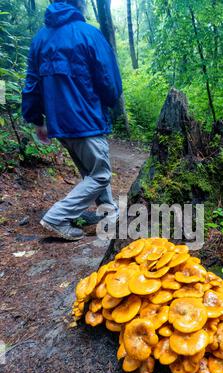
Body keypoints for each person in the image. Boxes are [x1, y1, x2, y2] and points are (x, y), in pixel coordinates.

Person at [22, 0, 122, 241]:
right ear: (79, 4)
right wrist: (110, 101)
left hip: (59, 123)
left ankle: (109, 212)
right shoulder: (89, 34)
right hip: (86, 118)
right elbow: (109, 81)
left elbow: (32, 84)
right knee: (100, 175)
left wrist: (37, 120)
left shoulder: (40, 39)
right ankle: (57, 217)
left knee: (91, 171)